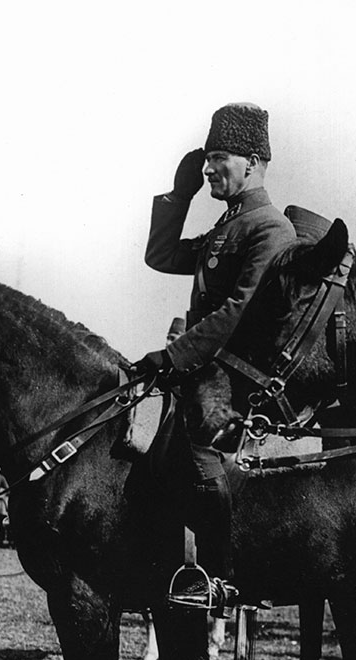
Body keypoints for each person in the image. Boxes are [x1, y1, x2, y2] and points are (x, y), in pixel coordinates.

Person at [135, 102, 295, 612]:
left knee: (199, 442)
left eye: (217, 157)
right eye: (205, 158)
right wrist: (179, 196)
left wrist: (172, 355)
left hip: (240, 378)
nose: (208, 169)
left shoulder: (270, 229)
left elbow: (236, 312)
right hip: (206, 370)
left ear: (252, 162)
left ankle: (222, 575)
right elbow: (160, 256)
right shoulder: (229, 228)